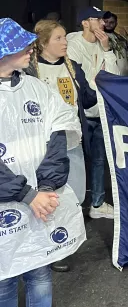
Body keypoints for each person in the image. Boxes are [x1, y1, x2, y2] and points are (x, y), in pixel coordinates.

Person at [0, 18, 81, 307]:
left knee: (39, 272)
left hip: (42, 201)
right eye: (22, 46)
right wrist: (26, 194)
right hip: (10, 207)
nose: (30, 50)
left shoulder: (37, 89)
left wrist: (45, 188)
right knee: (4, 279)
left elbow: (57, 136)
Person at [24, 19, 97, 273]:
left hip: (72, 143)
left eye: (65, 37)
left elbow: (87, 100)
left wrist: (98, 82)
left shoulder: (72, 67)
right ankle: (49, 249)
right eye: (59, 38)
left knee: (74, 196)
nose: (65, 42)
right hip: (43, 147)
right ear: (43, 43)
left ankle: (62, 243)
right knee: (47, 196)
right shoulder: (29, 72)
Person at [66, 6, 120, 219]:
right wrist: (99, 79)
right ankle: (71, 207)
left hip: (100, 109)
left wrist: (107, 49)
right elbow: (79, 80)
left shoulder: (104, 44)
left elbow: (113, 76)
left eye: (103, 19)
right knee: (74, 160)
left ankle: (97, 203)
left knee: (99, 159)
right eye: (97, 19)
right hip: (81, 112)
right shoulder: (73, 45)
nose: (102, 23)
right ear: (85, 23)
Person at [103, 11, 128, 75]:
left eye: (111, 22)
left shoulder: (120, 38)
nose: (108, 24)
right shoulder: (101, 37)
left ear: (116, 24)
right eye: (106, 22)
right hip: (111, 73)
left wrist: (127, 36)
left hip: (125, 74)